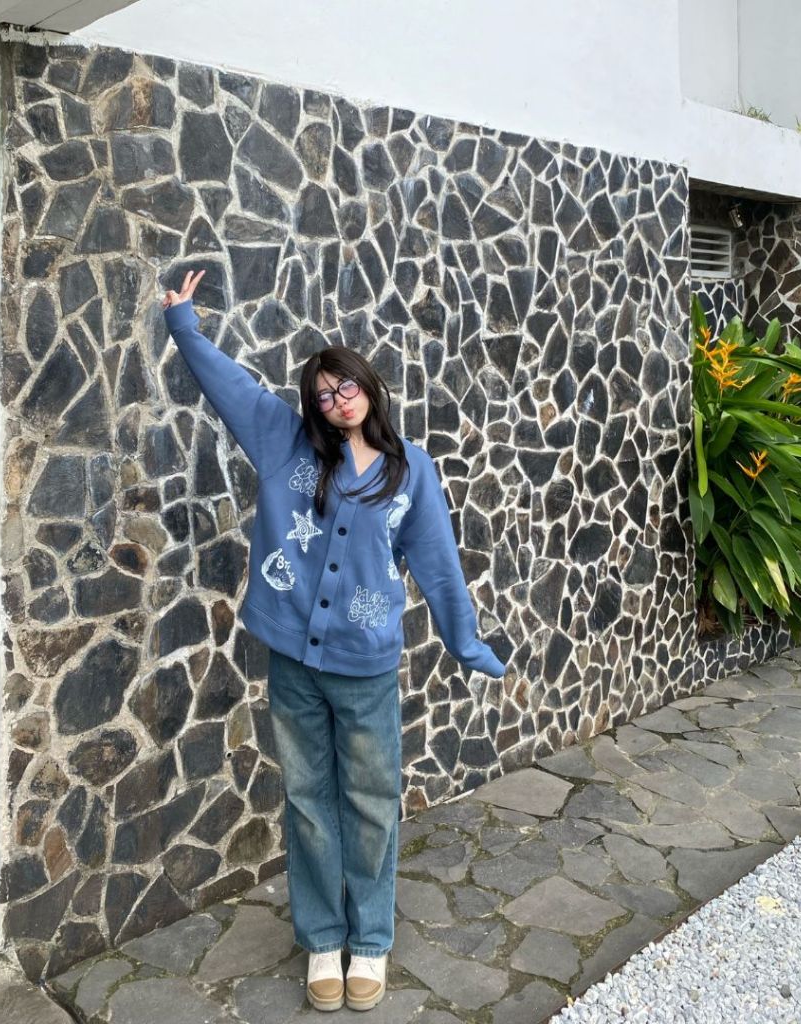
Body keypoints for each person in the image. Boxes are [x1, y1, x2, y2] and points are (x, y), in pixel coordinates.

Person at [162, 269, 506, 1012]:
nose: (337, 401)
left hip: (366, 669)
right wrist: (185, 324)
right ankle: (323, 937)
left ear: (369, 388)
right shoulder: (284, 443)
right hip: (292, 661)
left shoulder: (411, 471)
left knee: (373, 803)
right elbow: (230, 385)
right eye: (322, 395)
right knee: (309, 801)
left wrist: (465, 642)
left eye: (346, 386)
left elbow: (438, 566)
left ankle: (370, 940)